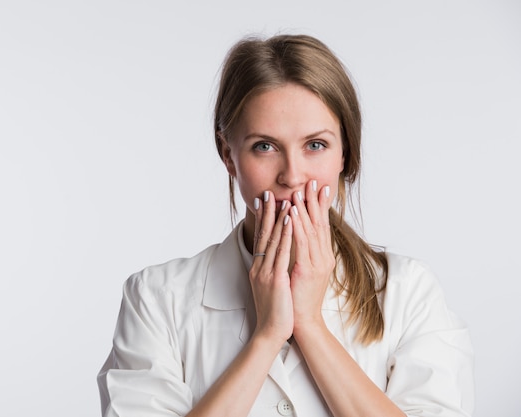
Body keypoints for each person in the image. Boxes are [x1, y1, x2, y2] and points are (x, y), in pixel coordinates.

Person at [97, 34, 474, 417]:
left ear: (345, 152)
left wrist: (309, 326)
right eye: (265, 146)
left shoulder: (407, 291)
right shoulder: (157, 298)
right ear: (228, 155)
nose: (292, 176)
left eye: (315, 145)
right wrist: (266, 337)